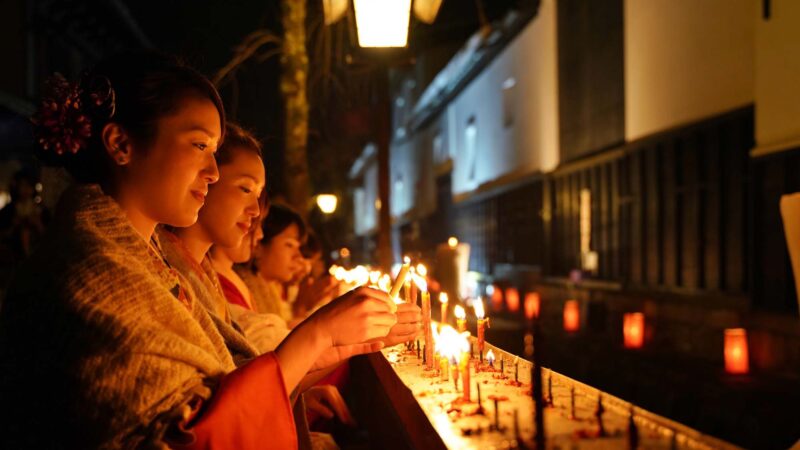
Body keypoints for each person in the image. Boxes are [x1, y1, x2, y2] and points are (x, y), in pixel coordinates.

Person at [0, 51, 396, 450]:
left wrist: (327, 347)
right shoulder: (89, 274)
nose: (212, 171)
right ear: (121, 143)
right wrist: (316, 335)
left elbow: (221, 385)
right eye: (199, 144)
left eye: (214, 151)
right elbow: (189, 436)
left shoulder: (149, 259)